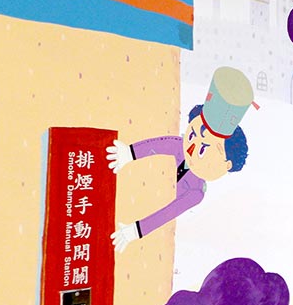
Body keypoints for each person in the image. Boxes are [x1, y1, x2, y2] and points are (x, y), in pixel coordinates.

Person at [107, 67, 252, 252]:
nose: (190, 149)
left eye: (203, 149)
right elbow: (161, 144)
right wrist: (129, 153)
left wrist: (136, 230)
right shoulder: (179, 146)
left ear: (227, 164)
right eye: (191, 135)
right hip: (134, 184)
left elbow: (168, 212)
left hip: (145, 205)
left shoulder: (195, 191)